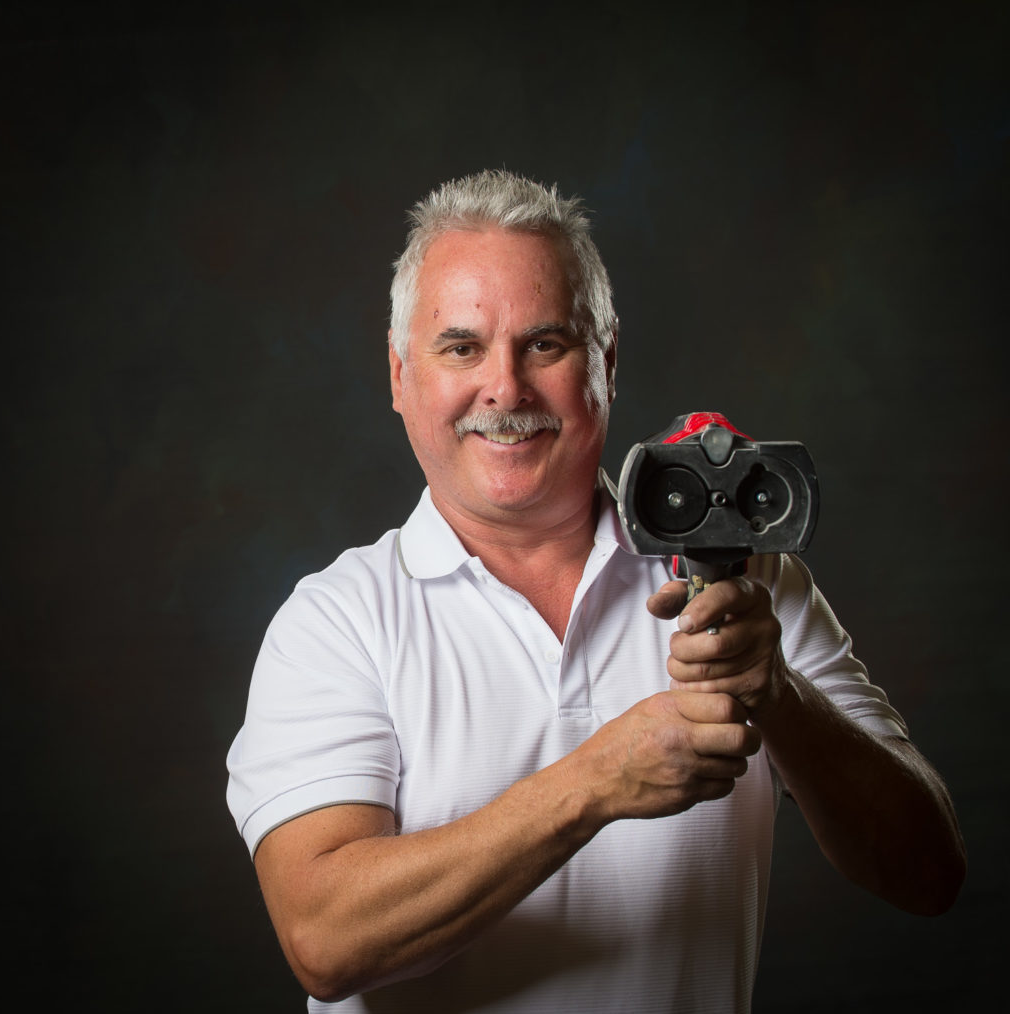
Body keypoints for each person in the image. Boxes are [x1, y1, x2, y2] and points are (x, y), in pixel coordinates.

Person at [226, 170, 965, 1013]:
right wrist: (593, 784)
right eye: (461, 347)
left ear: (606, 364)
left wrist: (781, 696)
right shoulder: (336, 621)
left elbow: (929, 873)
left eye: (545, 344)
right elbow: (324, 940)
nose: (505, 389)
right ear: (400, 377)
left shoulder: (743, 578)